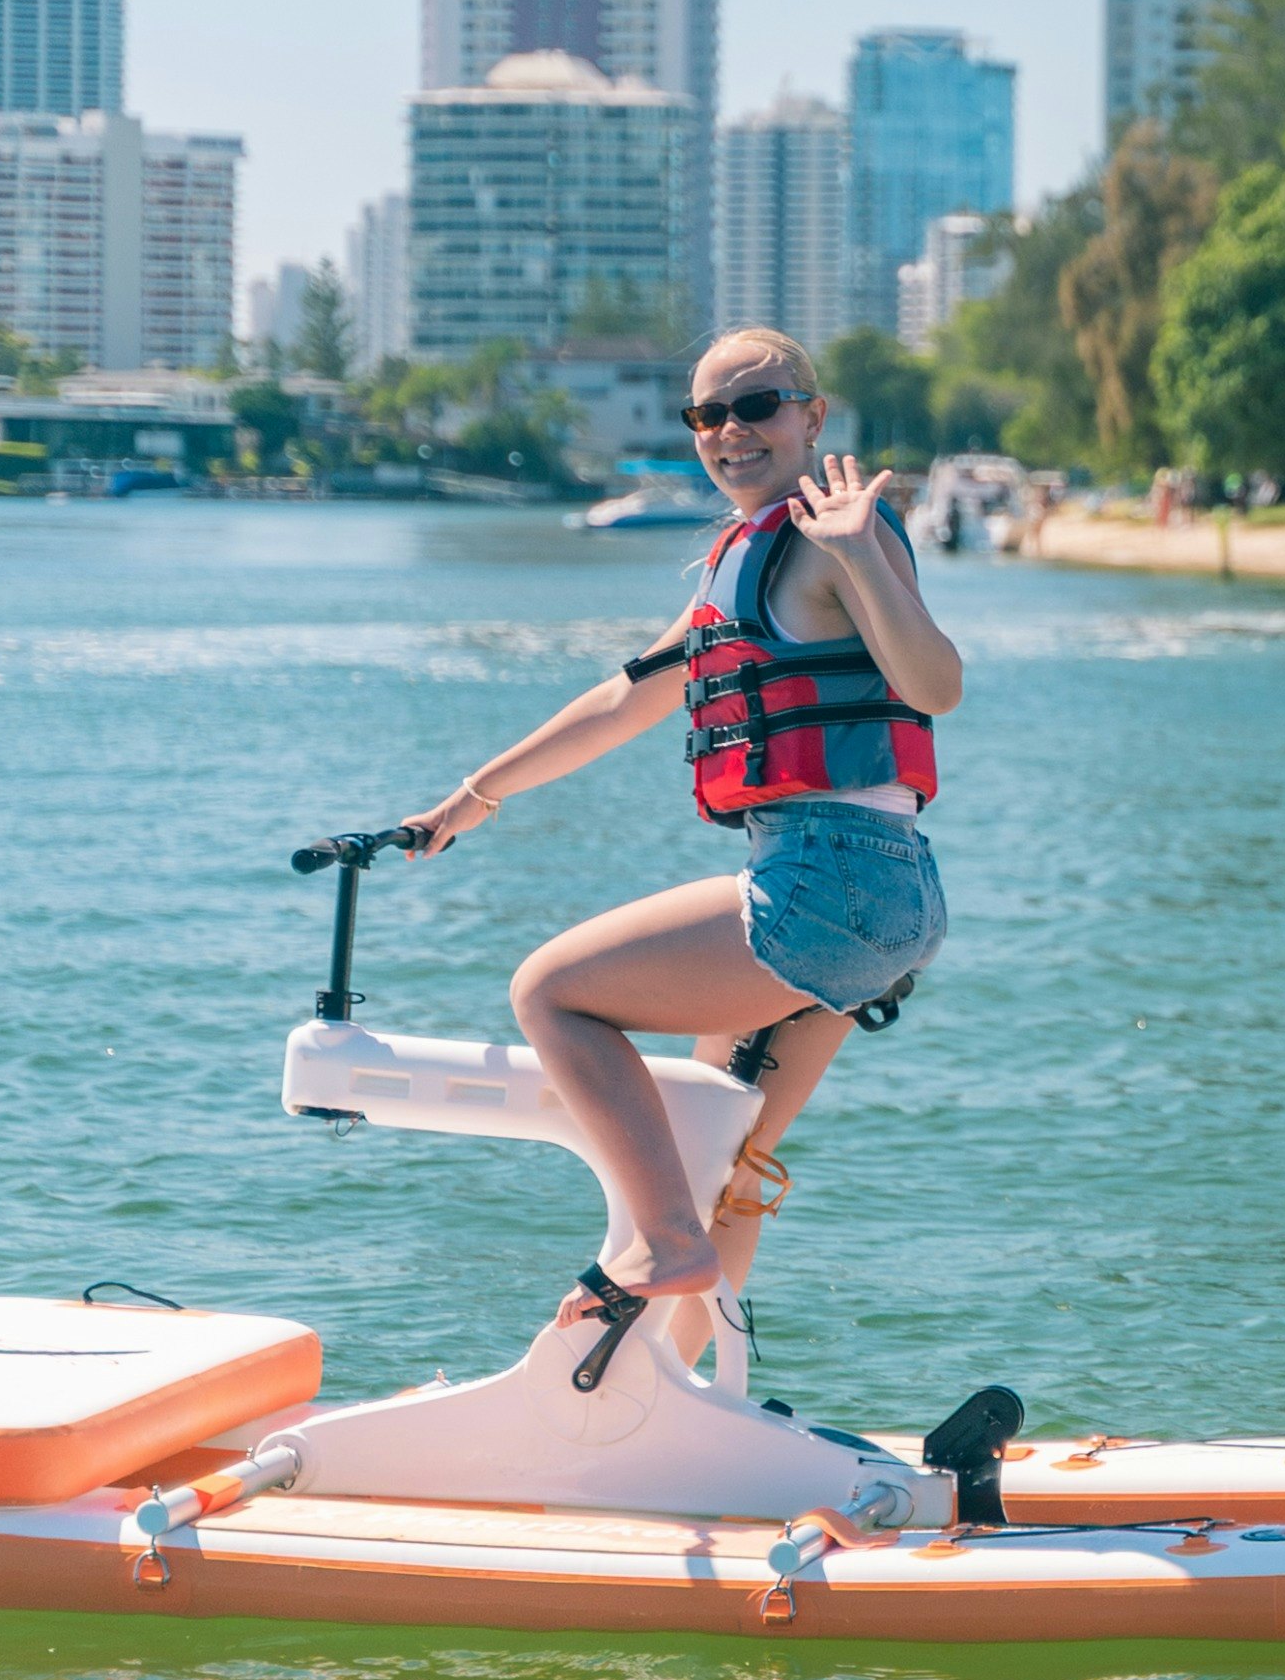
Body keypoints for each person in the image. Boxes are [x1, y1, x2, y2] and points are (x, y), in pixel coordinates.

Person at [397, 327, 962, 1321]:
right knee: (724, 1159)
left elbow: (936, 686)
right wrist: (475, 794)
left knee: (549, 994)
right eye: (708, 413)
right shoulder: (738, 561)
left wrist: (859, 556)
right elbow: (627, 698)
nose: (731, 430)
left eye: (758, 405)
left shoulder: (839, 536)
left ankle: (661, 1240)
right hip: (886, 894)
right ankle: (687, 1386)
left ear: (812, 416)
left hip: (824, 880)